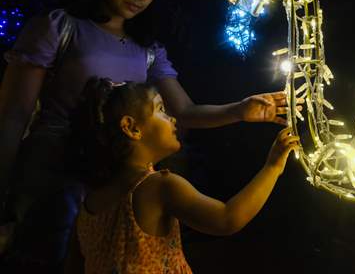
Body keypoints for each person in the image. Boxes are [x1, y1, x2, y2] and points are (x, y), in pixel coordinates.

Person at [0, 0, 290, 271]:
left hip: (109, 178)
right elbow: (14, 114)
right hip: (53, 173)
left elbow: (184, 111)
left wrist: (240, 110)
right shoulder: (60, 28)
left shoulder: (147, 49)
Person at [62, 77, 299, 273]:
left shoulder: (90, 200)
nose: (172, 118)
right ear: (132, 128)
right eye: (161, 110)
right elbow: (227, 219)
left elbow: (74, 264)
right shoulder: (159, 187)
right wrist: (273, 167)